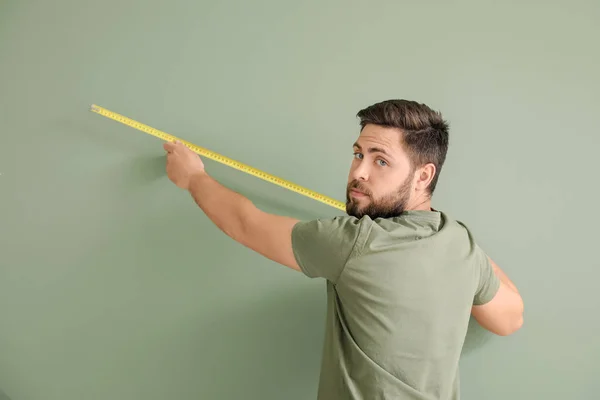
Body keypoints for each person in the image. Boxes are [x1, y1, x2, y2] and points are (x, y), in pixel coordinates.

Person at [162, 99, 524, 400]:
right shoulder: (459, 243)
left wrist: (193, 178)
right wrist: (468, 248)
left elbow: (245, 223)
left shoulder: (353, 242)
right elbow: (509, 319)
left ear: (424, 176)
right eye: (358, 154)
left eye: (380, 160)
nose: (359, 172)